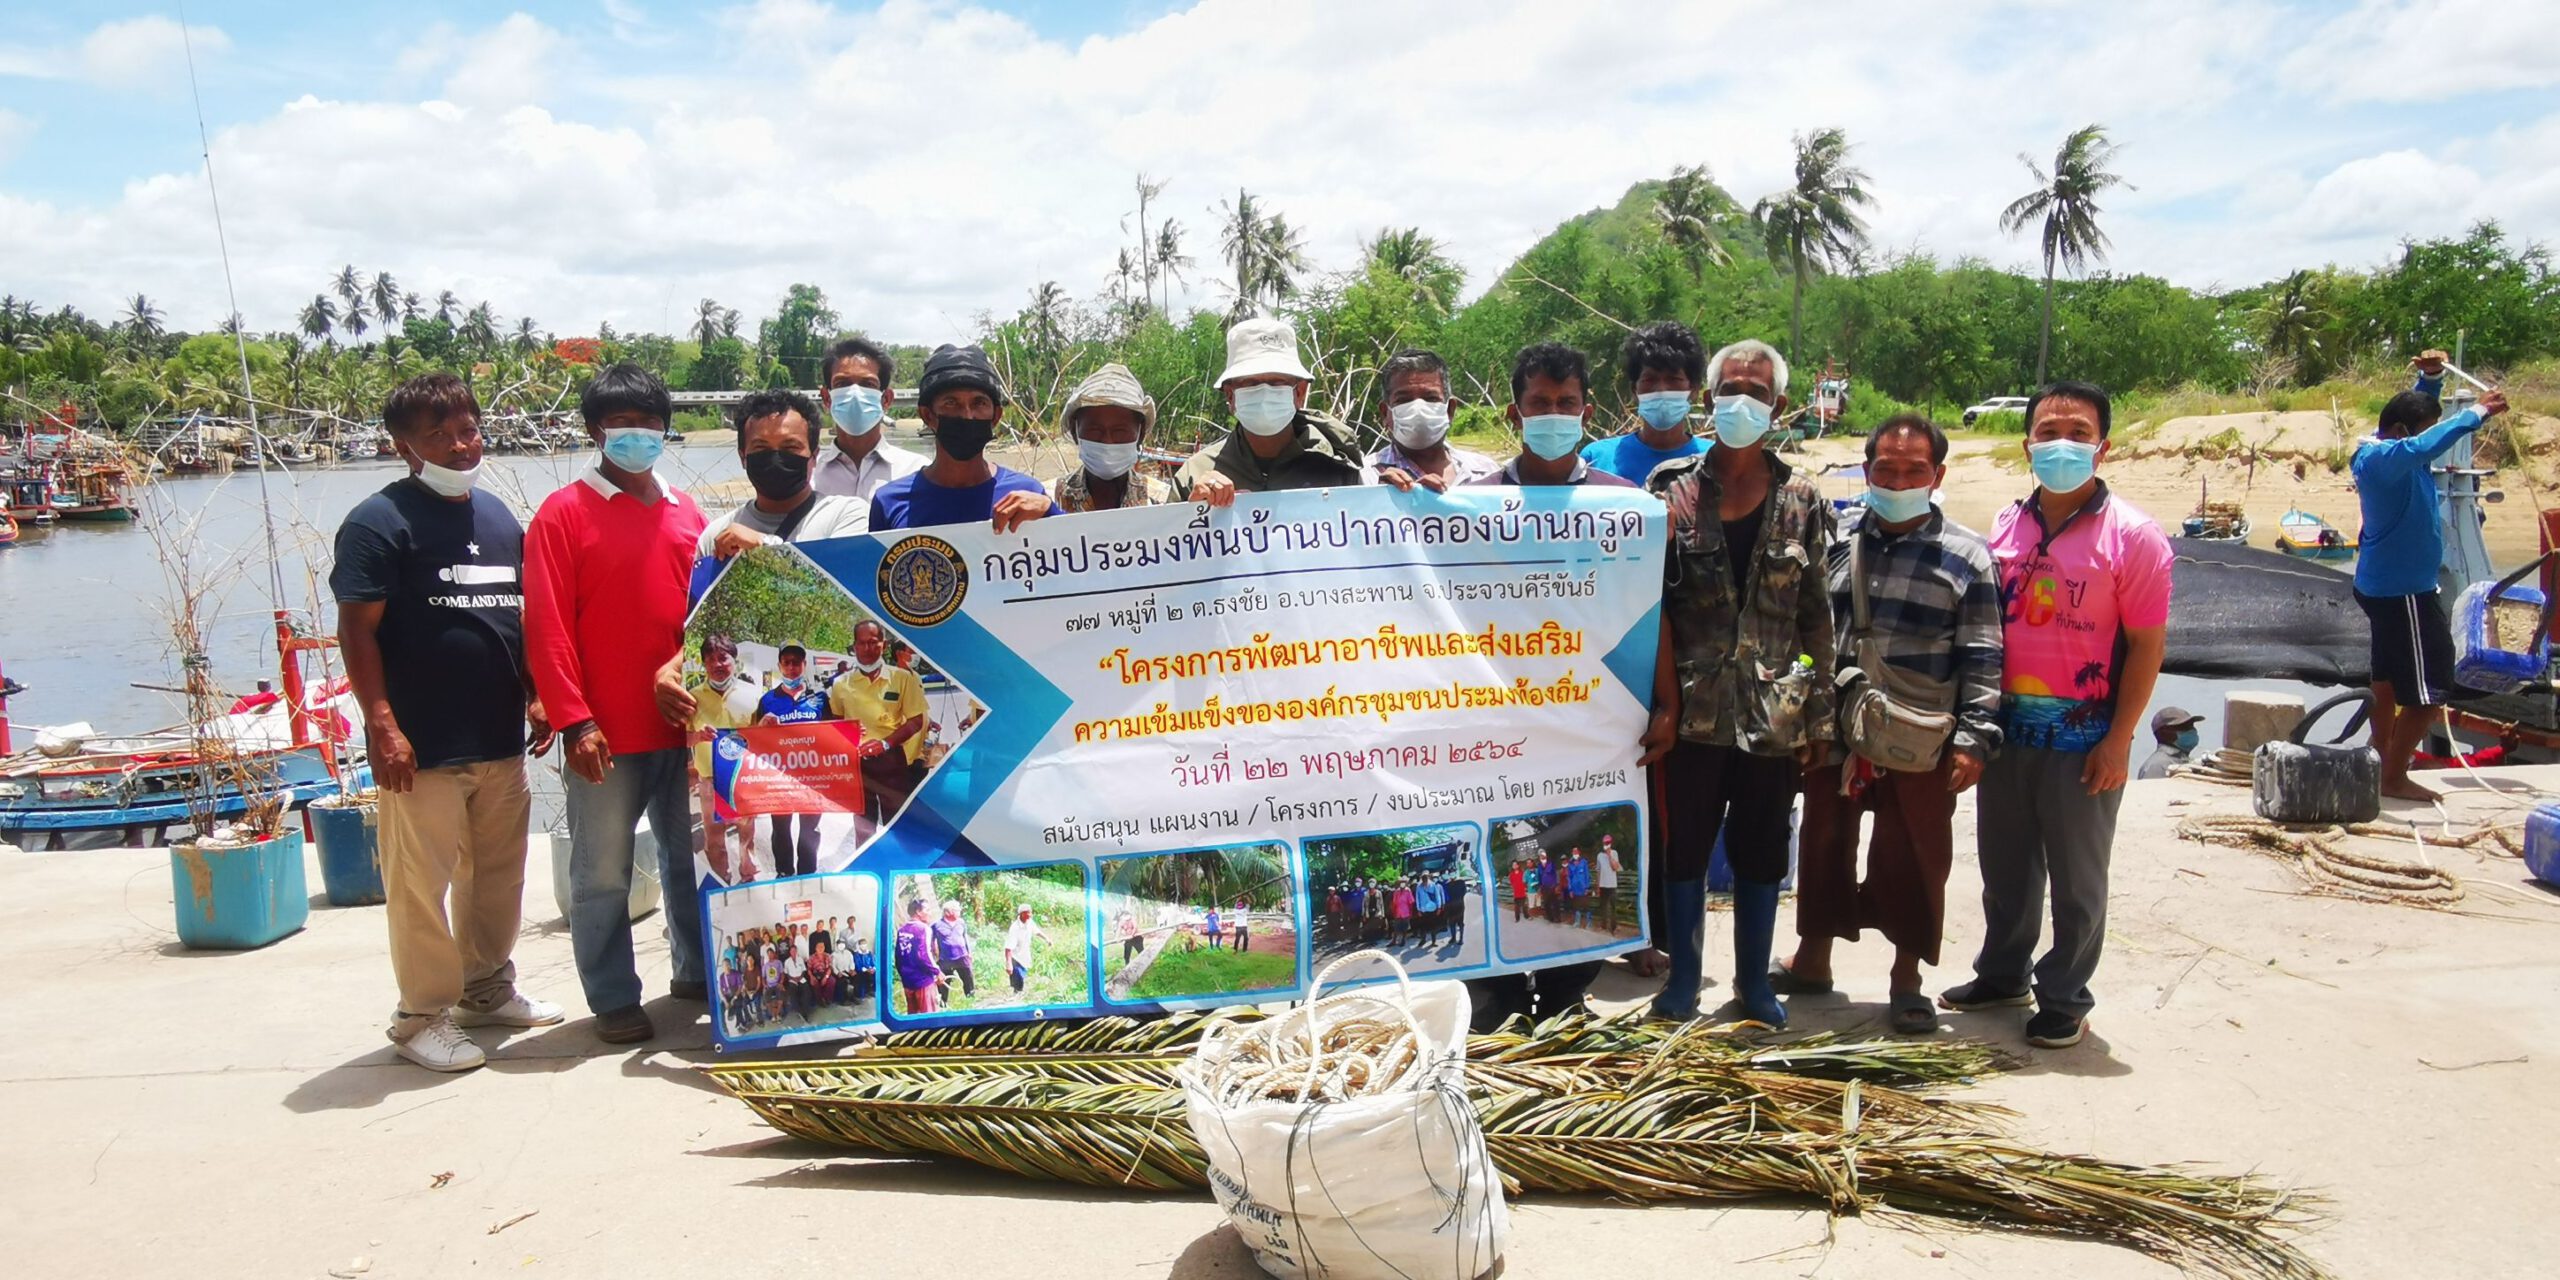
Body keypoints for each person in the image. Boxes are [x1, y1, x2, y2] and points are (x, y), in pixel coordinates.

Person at [332, 372, 561, 1073]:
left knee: (496, 876)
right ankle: (420, 1015)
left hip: (497, 737)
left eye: (468, 429)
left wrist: (535, 693)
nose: (462, 446)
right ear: (403, 446)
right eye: (439, 435)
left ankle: (484, 990)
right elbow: (357, 630)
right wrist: (382, 724)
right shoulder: (378, 523)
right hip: (421, 744)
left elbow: (514, 618)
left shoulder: (497, 517)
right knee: (420, 886)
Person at [1942, 381, 2171, 1051]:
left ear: (2103, 447)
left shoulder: (2134, 536)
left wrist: (2120, 739)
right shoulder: (2006, 524)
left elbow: (2148, 646)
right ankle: (2003, 974)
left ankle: (2066, 996)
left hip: (2085, 736)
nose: (2061, 444)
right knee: (2006, 866)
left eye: (2077, 433)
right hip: (2007, 729)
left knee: (2078, 876)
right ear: (2027, 445)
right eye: (2048, 432)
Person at [1771, 415, 2004, 1036]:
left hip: (1920, 732)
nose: (1898, 481)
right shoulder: (1838, 539)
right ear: (1867, 470)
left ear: (1938, 475)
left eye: (1913, 470)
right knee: (1823, 840)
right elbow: (1807, 631)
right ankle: (1812, 960)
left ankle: (1906, 979)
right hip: (1836, 725)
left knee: (1914, 853)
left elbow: (1983, 655)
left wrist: (1974, 739)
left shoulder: (1968, 556)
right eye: (1886, 469)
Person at [1646, 338, 1832, 1026]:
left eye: (1756, 392)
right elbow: (1650, 608)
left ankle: (1754, 985)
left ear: (1778, 407)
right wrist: (1661, 704)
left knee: (1761, 854)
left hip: (1772, 718)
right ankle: (1682, 982)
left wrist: (1817, 713)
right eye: (1730, 389)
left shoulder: (1804, 499)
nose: (1741, 402)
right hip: (1691, 714)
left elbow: (1816, 616)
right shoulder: (1670, 491)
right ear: (1708, 398)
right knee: (1684, 851)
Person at [524, 363, 710, 1046]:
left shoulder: (687, 513)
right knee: (601, 873)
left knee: (691, 862)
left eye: (649, 423)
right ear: (595, 431)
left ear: (666, 429)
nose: (637, 435)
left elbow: (706, 617)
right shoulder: (561, 514)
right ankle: (612, 997)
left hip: (683, 728)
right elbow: (547, 628)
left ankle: (697, 973)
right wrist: (574, 720)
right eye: (621, 424)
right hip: (603, 733)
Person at [2354, 350, 2512, 801]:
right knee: (2432, 690)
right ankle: (2393, 775)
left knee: (2387, 678)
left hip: (2386, 587)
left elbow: (2418, 433)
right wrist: (2478, 412)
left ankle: (2380, 755)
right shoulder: (2383, 460)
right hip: (2405, 593)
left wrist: (2431, 379)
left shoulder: (2390, 452)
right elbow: (2423, 444)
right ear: (2401, 433)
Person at [1174, 315, 1367, 504]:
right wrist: (1192, 512)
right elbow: (1168, 524)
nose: (1265, 393)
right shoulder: (1194, 475)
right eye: (1250, 383)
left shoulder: (1339, 470)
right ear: (1230, 395)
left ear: (1299, 392)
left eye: (1277, 382)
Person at [867, 344, 1056, 533]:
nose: (967, 415)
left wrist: (1050, 511)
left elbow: (1067, 545)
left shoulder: (1026, 495)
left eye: (979, 403)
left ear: (996, 416)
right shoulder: (890, 503)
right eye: (951, 403)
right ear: (928, 415)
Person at [700, 390, 869, 563]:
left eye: (790, 447)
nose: (776, 459)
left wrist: (762, 546)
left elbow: (841, 577)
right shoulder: (716, 535)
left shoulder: (847, 515)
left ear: (814, 456)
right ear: (743, 457)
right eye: (761, 448)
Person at [1466, 343, 1640, 492]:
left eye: (1566, 403)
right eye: (1540, 403)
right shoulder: (1477, 503)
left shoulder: (1620, 501)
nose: (1553, 412)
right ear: (1515, 416)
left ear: (1585, 417)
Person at [1581, 321, 1708, 485]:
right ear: (1634, 390)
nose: (1661, 389)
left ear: (1694, 389)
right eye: (1650, 380)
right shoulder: (1597, 459)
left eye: (1673, 379)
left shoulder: (1714, 460)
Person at [827, 620, 929, 824]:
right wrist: (848, 732)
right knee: (863, 828)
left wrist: (885, 743)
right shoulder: (840, 684)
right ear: (854, 646)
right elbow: (835, 722)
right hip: (858, 766)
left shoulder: (902, 678)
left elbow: (916, 720)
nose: (867, 648)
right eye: (862, 643)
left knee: (897, 827)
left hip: (892, 762)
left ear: (884, 645)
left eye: (873, 642)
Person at [811, 337, 926, 506]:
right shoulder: (809, 475)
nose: (855, 393)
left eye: (868, 384)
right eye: (842, 384)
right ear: (827, 398)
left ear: (886, 399)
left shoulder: (916, 472)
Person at [752, 643, 833, 878]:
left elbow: (833, 735)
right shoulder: (767, 700)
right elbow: (755, 741)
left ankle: (808, 874)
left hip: (812, 778)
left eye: (796, 662)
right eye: (786, 662)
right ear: (779, 666)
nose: (791, 667)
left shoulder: (819, 699)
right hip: (779, 778)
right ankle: (784, 873)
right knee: (780, 828)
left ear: (804, 665)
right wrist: (761, 727)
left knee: (810, 829)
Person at [684, 635, 759, 883]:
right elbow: (680, 740)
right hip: (709, 782)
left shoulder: (753, 694)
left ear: (734, 661)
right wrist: (698, 736)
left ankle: (748, 880)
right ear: (704, 664)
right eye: (710, 659)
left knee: (747, 836)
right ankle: (721, 884)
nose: (717, 664)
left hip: (744, 779)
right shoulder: (692, 698)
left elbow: (763, 738)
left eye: (723, 658)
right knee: (714, 840)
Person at [1369, 348, 1498, 490]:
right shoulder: (1365, 478)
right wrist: (1380, 497)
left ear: (1450, 410)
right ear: (1385, 413)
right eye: (1404, 400)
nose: (1418, 409)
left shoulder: (1487, 473)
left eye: (1431, 398)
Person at [1050, 363, 1171, 512]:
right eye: (1095, 430)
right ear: (1076, 432)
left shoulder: (1162, 501)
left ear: (1140, 435)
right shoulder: (1049, 499)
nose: (1107, 442)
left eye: (1119, 432)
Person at [893, 897, 942, 1015]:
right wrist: (937, 971)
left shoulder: (902, 930)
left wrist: (903, 976)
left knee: (913, 1015)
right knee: (929, 1016)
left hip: (908, 981)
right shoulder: (923, 929)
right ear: (918, 912)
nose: (930, 913)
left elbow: (898, 956)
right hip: (923, 981)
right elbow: (924, 954)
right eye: (927, 910)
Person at [2138, 707, 2206, 781]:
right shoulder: (2157, 765)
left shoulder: (2184, 760)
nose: (2192, 730)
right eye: (2183, 726)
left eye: (2191, 725)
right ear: (2164, 733)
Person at [931, 901, 977, 1001]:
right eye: (957, 910)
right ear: (948, 912)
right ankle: (943, 1003)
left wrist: (969, 953)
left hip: (962, 957)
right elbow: (931, 941)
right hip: (945, 959)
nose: (959, 912)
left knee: (968, 979)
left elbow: (965, 937)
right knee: (943, 982)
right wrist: (935, 955)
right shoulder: (937, 925)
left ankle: (971, 1000)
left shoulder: (961, 922)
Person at [1004, 905, 1047, 994]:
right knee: (1018, 978)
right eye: (1027, 913)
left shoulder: (1030, 922)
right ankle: (1017, 995)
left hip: (1024, 955)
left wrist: (1046, 939)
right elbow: (1008, 948)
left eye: (1030, 912)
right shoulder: (1015, 928)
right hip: (1015, 957)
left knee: (1022, 977)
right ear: (1021, 914)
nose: (1030, 915)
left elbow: (1037, 931)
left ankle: (1018, 994)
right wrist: (1008, 964)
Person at [1593, 835, 1621, 933]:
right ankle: (1604, 926)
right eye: (1605, 843)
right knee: (1603, 907)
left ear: (1611, 843)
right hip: (1603, 885)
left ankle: (1614, 927)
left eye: (1608, 843)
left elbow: (1615, 868)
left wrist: (1609, 856)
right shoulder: (1599, 855)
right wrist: (1597, 886)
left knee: (1613, 907)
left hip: (1612, 885)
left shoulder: (1614, 853)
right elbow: (1598, 871)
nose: (1606, 845)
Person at [1509, 857, 1529, 922]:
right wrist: (1514, 888)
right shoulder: (1511, 875)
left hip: (1522, 892)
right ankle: (1517, 918)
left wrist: (1526, 889)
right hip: (1516, 893)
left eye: (1515, 864)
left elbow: (1525, 882)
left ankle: (1526, 916)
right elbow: (1512, 883)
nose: (1514, 866)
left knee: (1524, 905)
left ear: (1518, 865)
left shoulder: (1522, 873)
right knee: (1516, 907)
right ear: (1512, 866)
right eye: (1513, 865)